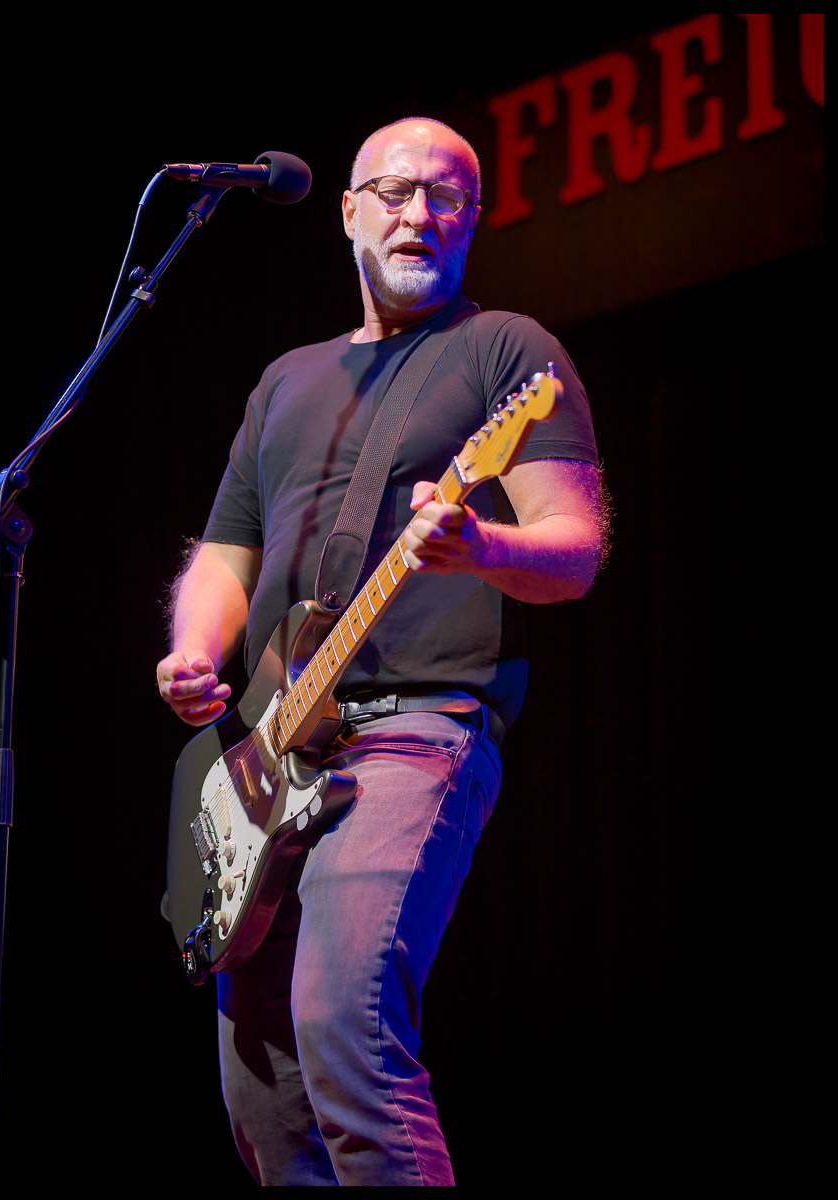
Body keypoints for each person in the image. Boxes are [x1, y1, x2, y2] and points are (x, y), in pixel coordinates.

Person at [156, 117, 605, 1186]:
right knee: (261, 1090)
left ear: (473, 220)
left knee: (344, 1026)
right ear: (347, 212)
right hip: (270, 751)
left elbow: (573, 549)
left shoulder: (508, 352)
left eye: (446, 197)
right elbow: (225, 550)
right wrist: (190, 648)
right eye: (396, 192)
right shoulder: (285, 379)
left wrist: (474, 542)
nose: (419, 214)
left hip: (415, 729)